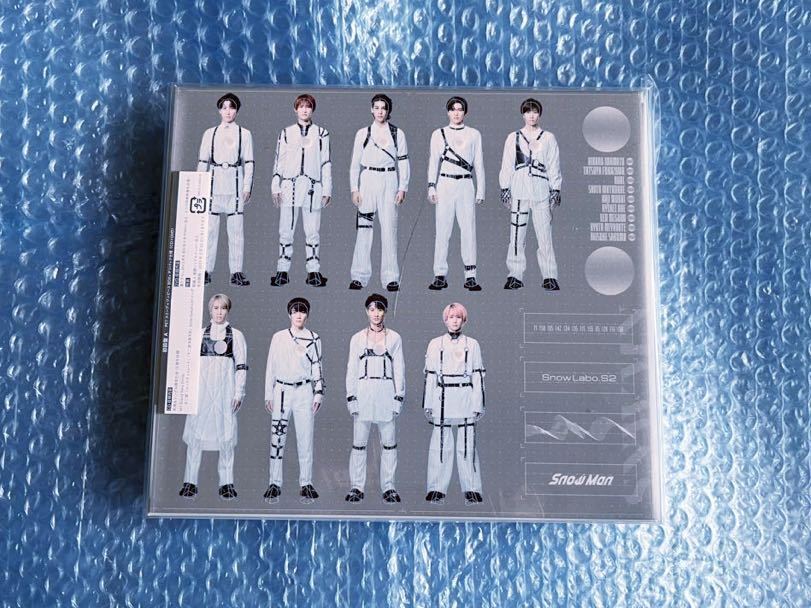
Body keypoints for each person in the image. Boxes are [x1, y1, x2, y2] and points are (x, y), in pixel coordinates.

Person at [179, 294, 248, 500]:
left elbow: (241, 367)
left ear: (228, 310)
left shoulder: (236, 336)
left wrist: (239, 392)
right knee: (195, 437)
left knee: (226, 437)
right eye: (216, 308)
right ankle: (190, 482)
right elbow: (188, 367)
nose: (219, 312)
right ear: (210, 310)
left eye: (223, 308)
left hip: (225, 393)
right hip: (201, 395)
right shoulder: (199, 335)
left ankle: (226, 483)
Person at [422, 303, 485, 504]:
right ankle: (436, 488)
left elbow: (478, 375)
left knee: (467, 446)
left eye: (458, 317)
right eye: (451, 317)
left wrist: (478, 404)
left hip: (465, 395)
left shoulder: (472, 344)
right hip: (443, 397)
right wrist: (428, 403)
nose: (454, 321)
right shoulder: (435, 344)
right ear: (445, 320)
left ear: (464, 320)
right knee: (440, 447)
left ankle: (472, 489)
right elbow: (430, 375)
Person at [344, 294, 405, 503]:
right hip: (363, 392)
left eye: (379, 309)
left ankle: (389, 487)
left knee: (389, 444)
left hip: (386, 392)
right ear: (366, 311)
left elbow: (399, 369)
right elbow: (352, 369)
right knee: (359, 444)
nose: (376, 314)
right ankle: (356, 487)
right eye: (372, 309)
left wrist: (398, 397)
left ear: (385, 311)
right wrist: (351, 397)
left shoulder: (394, 338)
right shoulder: (357, 338)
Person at [263, 297, 324, 500]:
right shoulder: (279, 337)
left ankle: (306, 483)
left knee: (305, 438)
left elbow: (317, 365)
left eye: (302, 311)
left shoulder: (314, 338)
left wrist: (318, 392)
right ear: (289, 314)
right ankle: (274, 482)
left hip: (304, 390)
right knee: (277, 437)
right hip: (281, 390)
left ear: (307, 315)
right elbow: (271, 366)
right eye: (295, 311)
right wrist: (268, 393)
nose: (299, 315)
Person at [348, 94, 410, 292]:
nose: (380, 111)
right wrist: (354, 188)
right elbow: (354, 163)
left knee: (389, 230)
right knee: (364, 229)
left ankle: (391, 278)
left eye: (383, 108)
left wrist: (402, 187)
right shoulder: (363, 133)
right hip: (368, 179)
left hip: (389, 179)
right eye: (376, 107)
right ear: (371, 109)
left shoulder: (397, 133)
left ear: (388, 110)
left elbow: (403, 161)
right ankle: (359, 276)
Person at [499, 98, 562, 291]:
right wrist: (505, 188)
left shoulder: (548, 138)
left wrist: (555, 189)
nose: (531, 116)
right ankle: (515, 275)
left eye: (535, 112)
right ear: (523, 114)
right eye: (528, 112)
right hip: (519, 189)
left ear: (539, 114)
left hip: (541, 189)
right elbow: (507, 164)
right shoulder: (514, 137)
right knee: (517, 235)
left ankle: (549, 276)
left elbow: (554, 165)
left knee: (544, 235)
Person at [270, 94, 332, 288]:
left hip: (313, 187)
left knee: (312, 231)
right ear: (295, 109)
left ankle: (313, 271)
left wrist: (327, 188)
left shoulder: (321, 133)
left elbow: (326, 162)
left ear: (312, 109)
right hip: (290, 186)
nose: (305, 110)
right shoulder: (286, 133)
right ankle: (282, 270)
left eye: (308, 106)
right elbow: (279, 161)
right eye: (301, 106)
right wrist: (275, 185)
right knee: (285, 230)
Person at [427, 96, 485, 291]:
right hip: (445, 183)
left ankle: (470, 275)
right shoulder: (438, 134)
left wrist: (481, 189)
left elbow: (479, 163)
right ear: (448, 112)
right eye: (453, 109)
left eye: (460, 109)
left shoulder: (474, 134)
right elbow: (433, 162)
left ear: (465, 112)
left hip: (465, 184)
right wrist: (431, 186)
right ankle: (439, 274)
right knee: (442, 230)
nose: (456, 113)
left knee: (468, 230)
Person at [197, 93, 255, 286]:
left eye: (232, 107)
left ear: (237, 110)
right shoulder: (210, 133)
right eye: (224, 107)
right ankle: (205, 270)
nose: (228, 111)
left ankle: (236, 272)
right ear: (219, 110)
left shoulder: (244, 134)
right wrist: (199, 186)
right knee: (210, 231)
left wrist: (246, 186)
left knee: (236, 231)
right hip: (213, 186)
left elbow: (249, 162)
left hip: (235, 187)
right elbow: (203, 161)